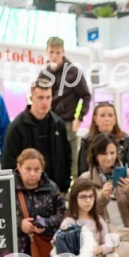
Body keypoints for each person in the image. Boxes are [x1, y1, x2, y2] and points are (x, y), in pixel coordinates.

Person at [2, 79, 72, 196]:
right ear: (31, 98)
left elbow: (66, 157)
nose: (44, 102)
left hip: (54, 190)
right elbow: (8, 163)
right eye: (40, 98)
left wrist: (65, 186)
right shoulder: (17, 127)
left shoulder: (58, 124)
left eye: (48, 97)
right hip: (25, 192)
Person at [39, 36, 91, 181]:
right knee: (50, 158)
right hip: (49, 123)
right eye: (51, 53)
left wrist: (79, 118)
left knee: (72, 159)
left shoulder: (74, 72)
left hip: (68, 123)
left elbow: (86, 96)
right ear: (47, 52)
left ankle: (74, 189)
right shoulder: (44, 74)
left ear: (63, 52)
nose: (54, 56)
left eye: (57, 52)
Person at [59, 179, 114, 257]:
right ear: (74, 199)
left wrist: (97, 250)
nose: (88, 201)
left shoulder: (98, 220)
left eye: (91, 196)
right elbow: (64, 251)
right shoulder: (69, 223)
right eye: (83, 197)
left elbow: (109, 243)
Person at [77, 101, 129, 175]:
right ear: (95, 118)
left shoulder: (124, 139)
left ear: (115, 119)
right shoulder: (87, 141)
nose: (107, 119)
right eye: (102, 115)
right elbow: (83, 170)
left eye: (110, 115)